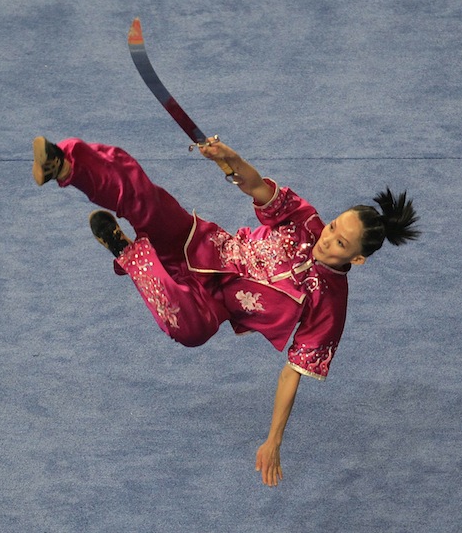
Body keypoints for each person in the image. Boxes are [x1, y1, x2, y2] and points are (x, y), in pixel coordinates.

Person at [31, 135, 419, 486]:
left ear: (358, 259)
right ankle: (64, 164)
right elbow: (256, 185)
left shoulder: (330, 306)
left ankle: (130, 253)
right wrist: (227, 156)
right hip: (201, 242)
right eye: (334, 227)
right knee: (143, 196)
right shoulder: (305, 219)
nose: (327, 240)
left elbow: (293, 370)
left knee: (190, 330)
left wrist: (273, 440)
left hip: (212, 304)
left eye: (340, 243)